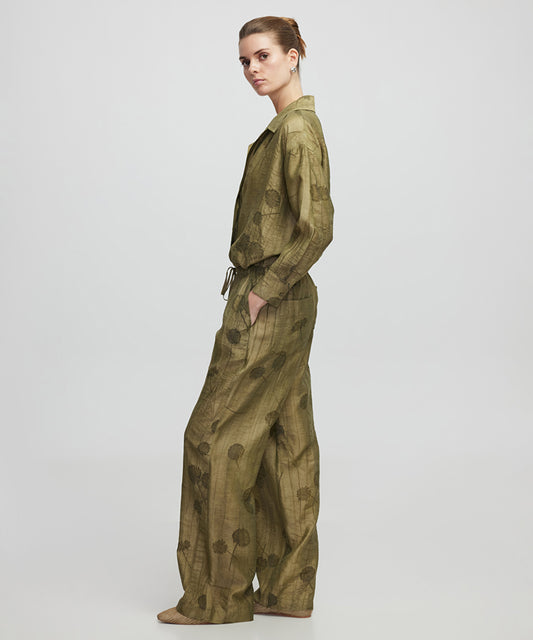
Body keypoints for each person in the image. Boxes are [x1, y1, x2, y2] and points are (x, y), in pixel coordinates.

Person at [157, 15, 334, 625]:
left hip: (271, 297)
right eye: (244, 61)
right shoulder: (287, 128)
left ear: (294, 55)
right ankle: (286, 590)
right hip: (283, 300)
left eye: (263, 56)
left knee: (212, 438)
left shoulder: (297, 132)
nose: (253, 69)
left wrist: (263, 293)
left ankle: (217, 597)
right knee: (286, 442)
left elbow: (317, 229)